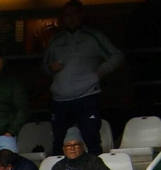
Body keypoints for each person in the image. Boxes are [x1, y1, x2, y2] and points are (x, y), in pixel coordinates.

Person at [44, 0, 123, 154]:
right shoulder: (55, 40)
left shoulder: (93, 37)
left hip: (87, 96)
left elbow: (117, 55)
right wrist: (50, 68)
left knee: (91, 140)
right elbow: (44, 66)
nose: (71, 18)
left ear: (81, 15)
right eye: (67, 15)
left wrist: (99, 72)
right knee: (59, 143)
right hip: (60, 100)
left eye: (74, 14)